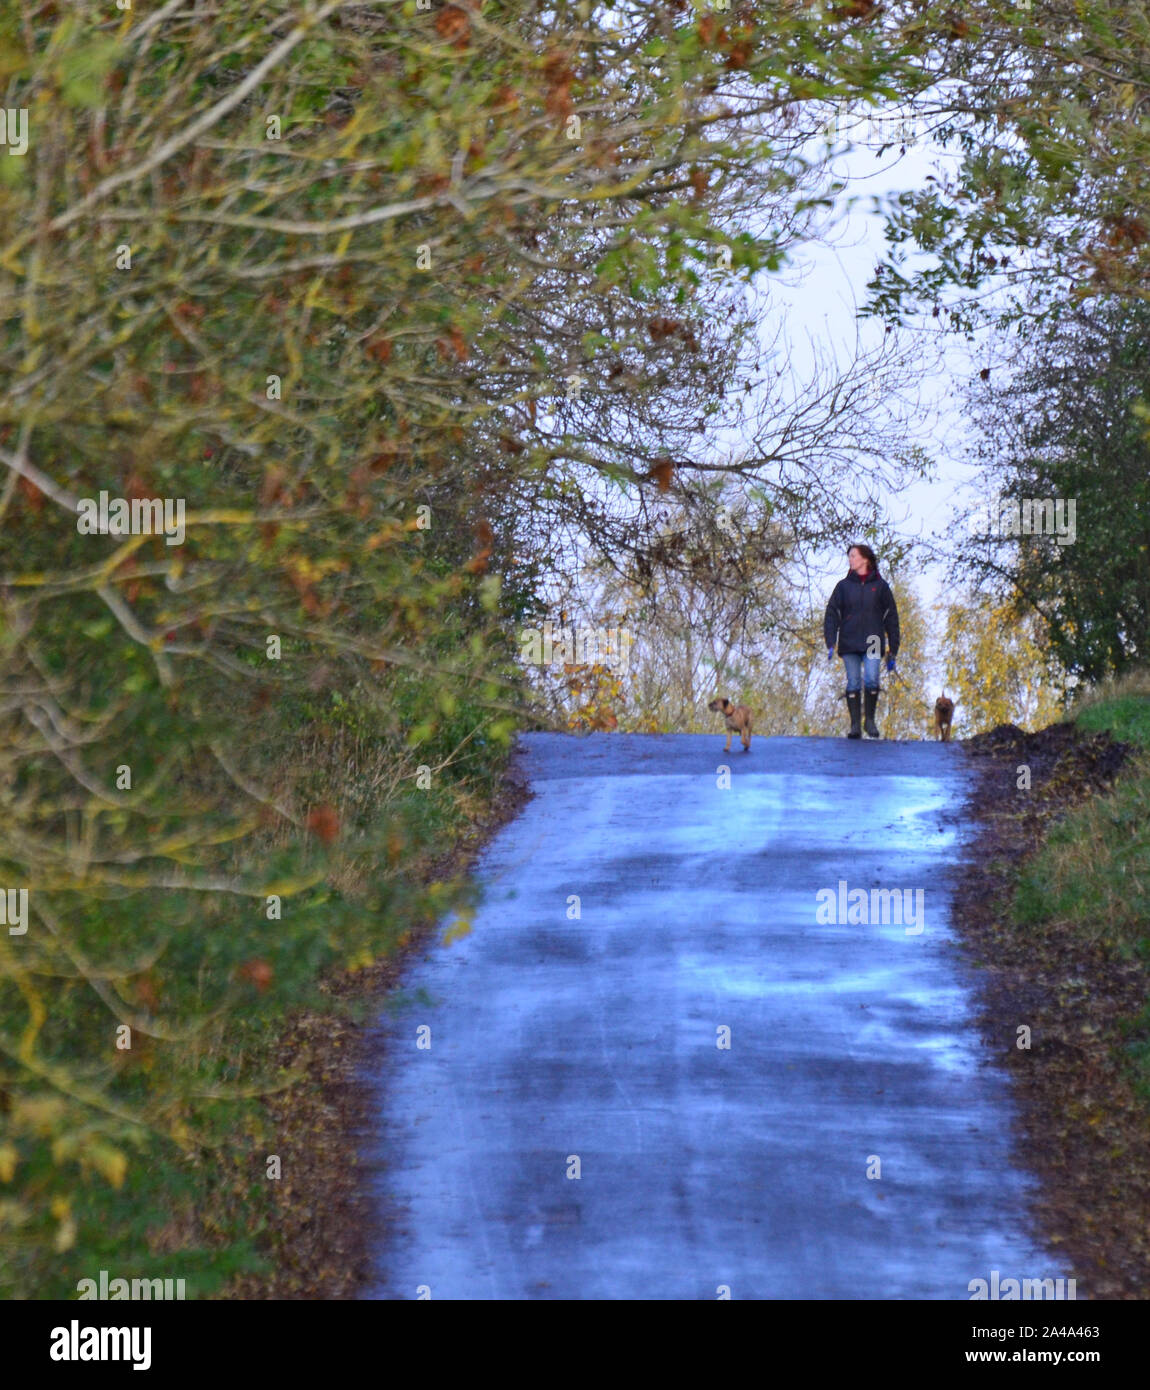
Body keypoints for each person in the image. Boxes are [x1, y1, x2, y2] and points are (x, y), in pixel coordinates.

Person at [823, 544, 901, 739]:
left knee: (872, 678)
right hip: (849, 639)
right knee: (853, 682)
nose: (850, 559)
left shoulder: (881, 587)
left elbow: (891, 617)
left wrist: (894, 648)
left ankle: (870, 721)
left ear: (865, 559)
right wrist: (831, 641)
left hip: (873, 638)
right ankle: (855, 725)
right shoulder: (843, 587)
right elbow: (831, 613)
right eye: (849, 557)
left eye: (854, 556)